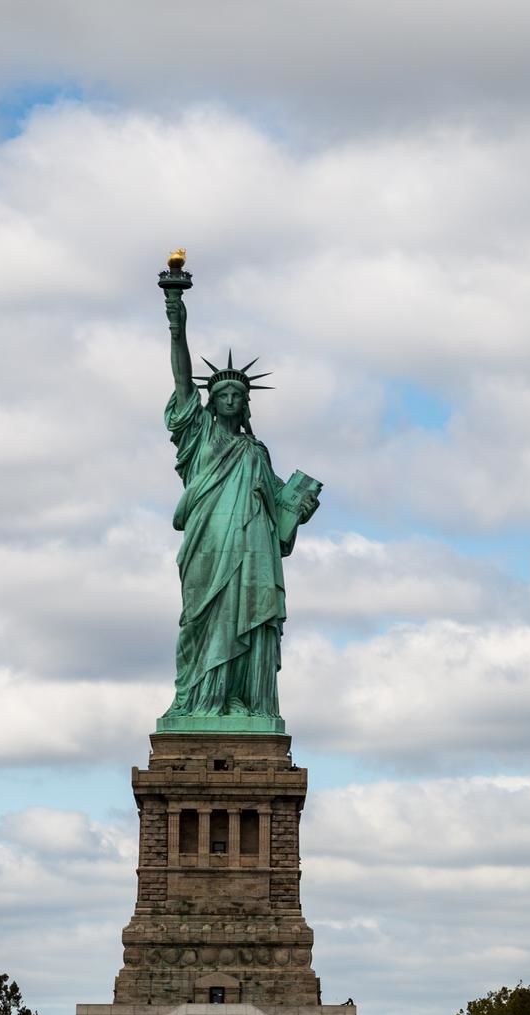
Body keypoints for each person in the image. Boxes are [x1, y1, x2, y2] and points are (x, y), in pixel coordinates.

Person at [158, 284, 321, 723]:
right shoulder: (198, 436)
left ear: (246, 404)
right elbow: (181, 379)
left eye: (237, 396)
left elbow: (279, 509)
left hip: (253, 550)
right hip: (208, 544)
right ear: (211, 403)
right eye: (223, 395)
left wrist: (299, 509)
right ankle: (199, 699)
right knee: (202, 619)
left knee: (247, 615)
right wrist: (176, 320)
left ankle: (242, 700)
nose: (230, 400)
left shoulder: (256, 452)